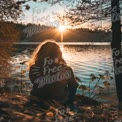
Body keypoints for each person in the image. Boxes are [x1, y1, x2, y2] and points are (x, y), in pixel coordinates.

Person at [29, 40, 78, 105]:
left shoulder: (34, 68)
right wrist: (70, 101)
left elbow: (34, 82)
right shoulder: (66, 69)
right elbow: (74, 86)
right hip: (58, 101)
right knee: (68, 87)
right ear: (59, 54)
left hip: (37, 99)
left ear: (40, 53)